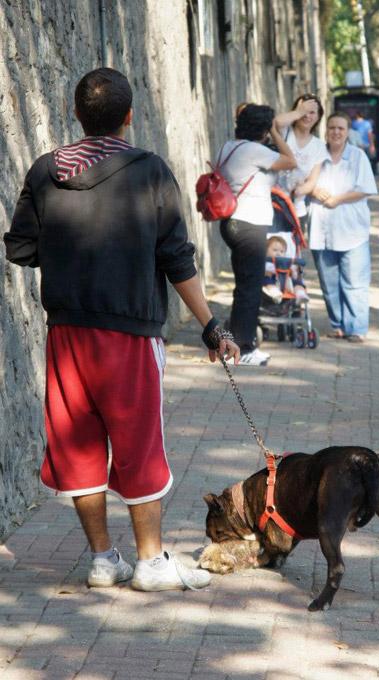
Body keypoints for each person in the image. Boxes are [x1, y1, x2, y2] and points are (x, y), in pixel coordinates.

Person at [3, 67, 240, 591]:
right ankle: (151, 563)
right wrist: (211, 327)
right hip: (130, 336)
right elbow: (176, 258)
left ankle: (103, 560)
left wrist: (68, 258)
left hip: (67, 334)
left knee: (79, 446)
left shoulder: (46, 171)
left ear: (76, 114)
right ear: (129, 117)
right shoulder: (150, 171)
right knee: (138, 445)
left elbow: (20, 248)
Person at [219, 104, 296, 366]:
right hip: (250, 225)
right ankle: (244, 348)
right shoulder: (256, 150)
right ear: (263, 129)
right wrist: (275, 132)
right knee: (250, 289)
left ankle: (235, 344)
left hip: (231, 222)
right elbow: (290, 160)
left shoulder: (229, 146)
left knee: (244, 287)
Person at [309, 112, 377, 342]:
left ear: (348, 132)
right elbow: (301, 182)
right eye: (332, 128)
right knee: (329, 283)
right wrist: (313, 190)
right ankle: (338, 325)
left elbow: (366, 188)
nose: (336, 132)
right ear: (325, 131)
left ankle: (356, 328)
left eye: (341, 128)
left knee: (354, 282)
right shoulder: (316, 157)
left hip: (352, 230)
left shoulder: (358, 156)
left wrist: (338, 199)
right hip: (322, 230)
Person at [274, 94, 329, 233]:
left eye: (312, 112)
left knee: (291, 251)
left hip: (296, 209)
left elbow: (312, 181)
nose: (307, 116)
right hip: (273, 202)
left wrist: (299, 191)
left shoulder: (319, 146)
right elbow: (276, 122)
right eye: (304, 111)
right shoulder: (285, 132)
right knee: (271, 251)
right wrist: (299, 111)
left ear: (318, 117)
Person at [263, 235, 308, 303]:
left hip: (287, 282)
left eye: (282, 251)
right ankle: (275, 293)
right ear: (266, 250)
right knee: (266, 280)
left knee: (297, 282)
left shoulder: (288, 261)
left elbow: (293, 272)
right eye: (275, 250)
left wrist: (292, 272)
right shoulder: (266, 262)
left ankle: (300, 294)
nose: (278, 253)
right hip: (273, 282)